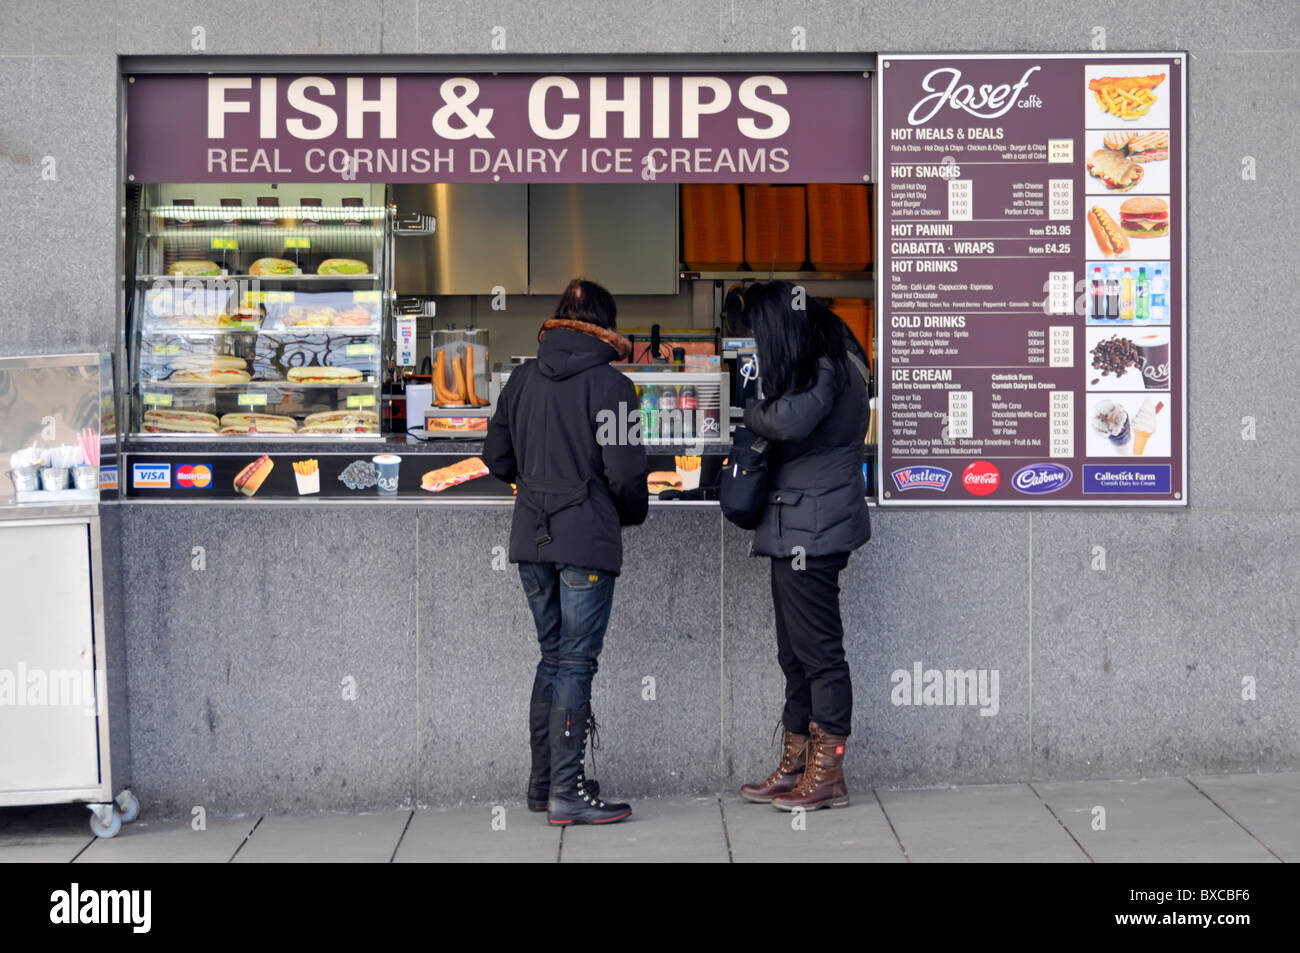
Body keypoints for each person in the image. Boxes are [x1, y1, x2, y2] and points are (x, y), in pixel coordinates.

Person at [482, 278, 648, 826]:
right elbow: (626, 476)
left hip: (532, 539)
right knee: (575, 662)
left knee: (553, 657)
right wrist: (621, 513)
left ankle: (544, 785)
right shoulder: (614, 387)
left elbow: (496, 458)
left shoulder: (521, 379)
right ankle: (568, 794)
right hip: (585, 541)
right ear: (606, 326)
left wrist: (534, 487)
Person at [736, 281, 871, 812]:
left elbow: (789, 420)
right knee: (794, 654)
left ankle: (828, 773)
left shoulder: (827, 365)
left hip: (813, 528)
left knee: (819, 654)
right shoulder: (827, 360)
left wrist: (748, 410)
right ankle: (796, 764)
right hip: (797, 523)